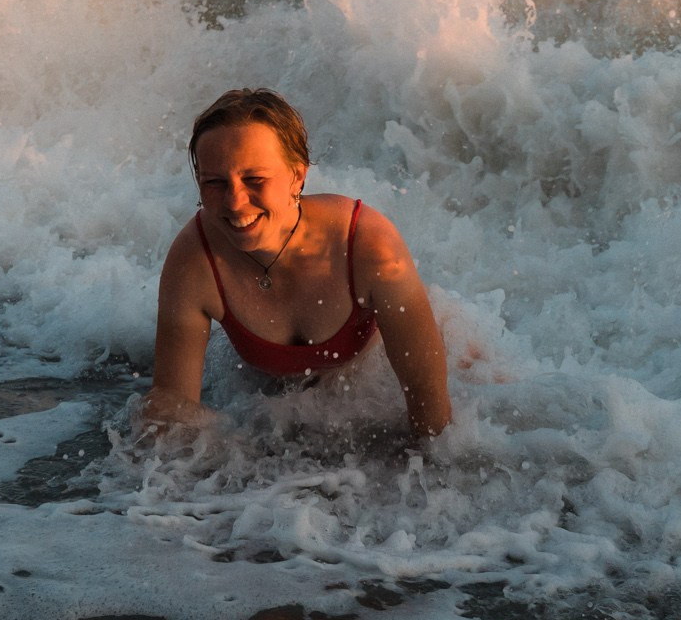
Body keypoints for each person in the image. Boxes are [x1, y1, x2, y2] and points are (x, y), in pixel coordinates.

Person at [142, 87, 452, 438]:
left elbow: (432, 413)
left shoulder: (367, 245)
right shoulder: (195, 262)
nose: (235, 202)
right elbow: (172, 409)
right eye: (214, 182)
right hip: (270, 392)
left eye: (254, 179)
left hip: (377, 366)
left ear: (297, 176)